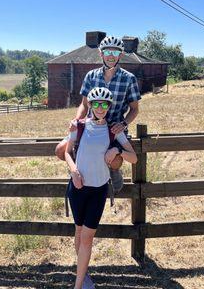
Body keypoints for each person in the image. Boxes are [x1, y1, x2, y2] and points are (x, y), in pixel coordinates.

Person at [65, 87, 137, 289]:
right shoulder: (78, 126)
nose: (100, 107)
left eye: (104, 104)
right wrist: (73, 171)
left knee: (87, 237)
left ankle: (78, 285)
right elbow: (67, 152)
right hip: (78, 188)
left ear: (109, 106)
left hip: (98, 191)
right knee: (79, 232)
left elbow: (134, 158)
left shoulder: (113, 130)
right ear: (90, 104)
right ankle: (83, 273)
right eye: (95, 103)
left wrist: (117, 150)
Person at [55, 35, 142, 161]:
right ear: (101, 54)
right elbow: (84, 105)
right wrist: (76, 121)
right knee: (60, 150)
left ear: (120, 54)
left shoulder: (129, 79)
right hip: (92, 125)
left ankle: (113, 177)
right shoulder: (91, 76)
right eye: (107, 52)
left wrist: (123, 124)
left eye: (115, 52)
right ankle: (81, 170)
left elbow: (134, 109)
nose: (111, 56)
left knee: (115, 162)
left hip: (113, 128)